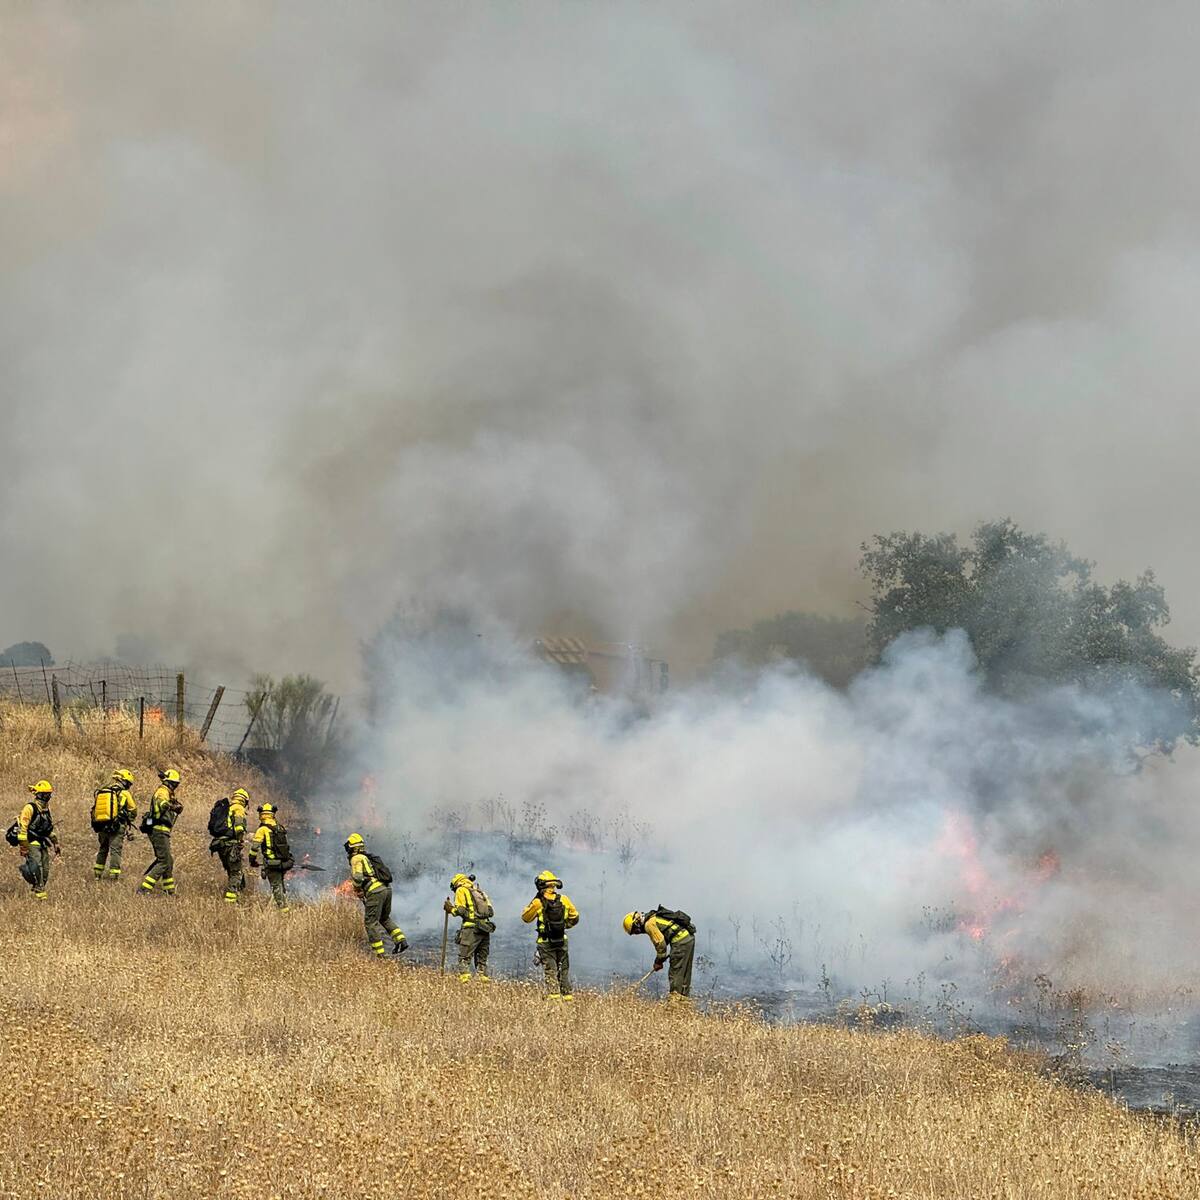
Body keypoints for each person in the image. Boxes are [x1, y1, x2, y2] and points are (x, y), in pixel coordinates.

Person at [344, 833, 406, 957]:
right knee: (384, 918)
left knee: (370, 922)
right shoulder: (367, 857)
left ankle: (379, 954)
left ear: (352, 847)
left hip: (375, 891)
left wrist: (358, 889)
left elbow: (358, 877)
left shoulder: (356, 858)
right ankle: (401, 940)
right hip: (386, 889)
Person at [522, 870, 579, 1001]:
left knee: (551, 972)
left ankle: (554, 1001)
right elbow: (575, 917)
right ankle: (567, 999)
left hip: (545, 942)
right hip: (562, 941)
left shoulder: (538, 902)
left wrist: (534, 901)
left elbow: (525, 918)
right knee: (563, 971)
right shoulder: (564, 899)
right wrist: (563, 926)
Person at [622, 907, 696, 999]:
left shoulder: (649, 925)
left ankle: (675, 1000)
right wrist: (660, 960)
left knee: (676, 972)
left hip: (680, 941)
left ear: (637, 924)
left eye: (635, 931)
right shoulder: (653, 917)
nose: (637, 933)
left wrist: (658, 962)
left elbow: (660, 944)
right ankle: (684, 999)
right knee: (685, 972)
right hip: (688, 938)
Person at [139, 768, 182, 896]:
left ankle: (169, 891)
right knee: (164, 861)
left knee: (168, 861)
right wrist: (173, 806)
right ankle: (144, 889)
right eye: (174, 784)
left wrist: (175, 804)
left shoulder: (167, 793)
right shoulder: (162, 791)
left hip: (162, 830)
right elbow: (161, 804)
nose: (175, 786)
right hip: (159, 830)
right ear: (168, 782)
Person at [445, 872, 494, 982]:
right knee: (482, 960)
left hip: (470, 930)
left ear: (455, 884)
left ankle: (465, 984)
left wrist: (450, 909)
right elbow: (490, 912)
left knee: (464, 958)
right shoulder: (479, 892)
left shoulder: (461, 890)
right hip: (485, 929)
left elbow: (461, 910)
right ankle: (484, 984)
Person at [15, 780, 59, 900]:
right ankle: (40, 896)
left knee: (45, 870)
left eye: (49, 794)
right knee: (37, 868)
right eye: (46, 794)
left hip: (42, 842)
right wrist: (24, 847)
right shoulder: (29, 808)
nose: (48, 797)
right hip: (31, 843)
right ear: (39, 795)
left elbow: (48, 829)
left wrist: (55, 843)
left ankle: (38, 888)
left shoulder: (46, 810)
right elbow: (22, 829)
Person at [92, 769, 136, 882]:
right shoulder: (124, 793)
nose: (129, 786)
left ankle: (97, 875)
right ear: (123, 781)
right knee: (115, 851)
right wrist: (127, 821)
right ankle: (113, 877)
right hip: (117, 826)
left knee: (103, 849)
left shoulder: (103, 790)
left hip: (101, 824)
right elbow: (133, 810)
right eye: (128, 783)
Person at [248, 802, 292, 913]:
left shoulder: (262, 829)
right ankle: (285, 905)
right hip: (283, 862)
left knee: (276, 886)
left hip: (272, 863)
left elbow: (254, 847)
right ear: (273, 814)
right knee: (280, 884)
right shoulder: (279, 828)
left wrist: (252, 860)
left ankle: (284, 911)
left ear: (261, 814)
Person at [211, 787, 250, 904]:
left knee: (231, 870)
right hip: (231, 845)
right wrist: (240, 841)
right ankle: (230, 901)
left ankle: (238, 895)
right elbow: (239, 828)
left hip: (220, 845)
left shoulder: (228, 808)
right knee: (236, 873)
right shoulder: (239, 808)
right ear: (245, 800)